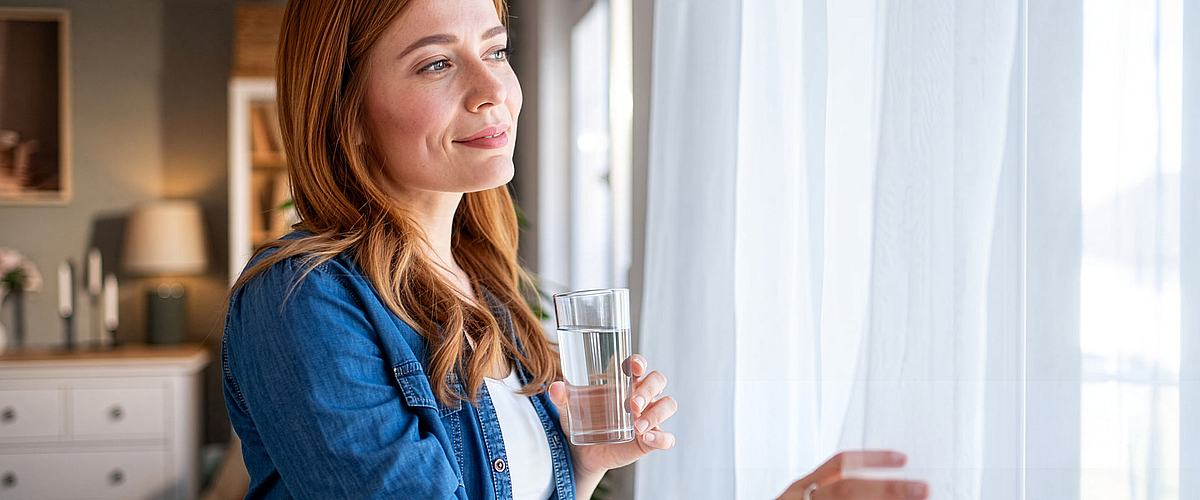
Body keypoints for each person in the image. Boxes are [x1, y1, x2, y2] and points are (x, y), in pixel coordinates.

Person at [221, 0, 928, 499]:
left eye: (495, 50)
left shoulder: (489, 289)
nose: (491, 88)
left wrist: (582, 466)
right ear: (346, 108)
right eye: (437, 64)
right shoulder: (303, 300)